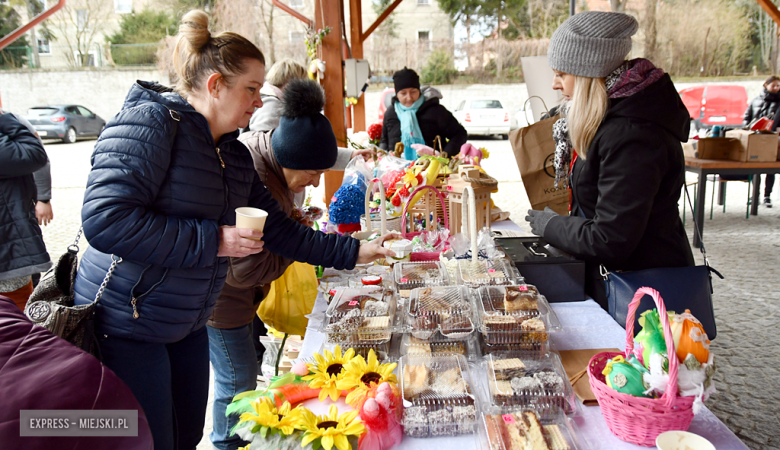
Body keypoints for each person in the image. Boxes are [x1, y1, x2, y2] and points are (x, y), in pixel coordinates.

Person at [72, 10, 395, 450]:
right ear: (214, 85)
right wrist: (214, 240)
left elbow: (281, 230)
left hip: (186, 322)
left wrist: (356, 252)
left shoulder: (234, 154)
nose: (259, 103)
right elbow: (105, 220)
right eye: (251, 90)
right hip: (127, 321)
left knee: (185, 436)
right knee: (149, 440)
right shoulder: (150, 124)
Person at [525, 11, 694, 310]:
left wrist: (551, 226)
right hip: (617, 280)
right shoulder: (611, 119)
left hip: (642, 293)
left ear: (588, 74)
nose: (554, 84)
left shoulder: (633, 135)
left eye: (562, 74)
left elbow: (610, 238)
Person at [208, 78, 340, 449]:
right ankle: (226, 444)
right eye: (313, 174)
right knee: (236, 383)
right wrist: (295, 244)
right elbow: (247, 269)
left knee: (244, 372)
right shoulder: (258, 181)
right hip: (222, 300)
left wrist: (290, 229)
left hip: (234, 298)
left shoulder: (273, 161)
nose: (314, 184)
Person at [0, 110, 51, 310]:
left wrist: (43, 198)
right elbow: (35, 154)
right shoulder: (8, 122)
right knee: (18, 318)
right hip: (9, 251)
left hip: (11, 244)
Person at [380, 67, 467, 159]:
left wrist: (444, 155)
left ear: (419, 91)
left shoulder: (436, 111)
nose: (409, 97)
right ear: (397, 94)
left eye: (413, 92)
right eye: (403, 93)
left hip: (431, 169)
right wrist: (381, 158)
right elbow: (384, 140)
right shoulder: (391, 113)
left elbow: (460, 134)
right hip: (397, 169)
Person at [744, 75, 780, 207]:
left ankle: (767, 196)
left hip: (773, 139)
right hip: (755, 139)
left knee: (770, 169)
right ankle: (755, 195)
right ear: (766, 85)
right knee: (755, 169)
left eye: (778, 85)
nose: (776, 88)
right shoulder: (755, 100)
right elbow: (747, 117)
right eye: (774, 85)